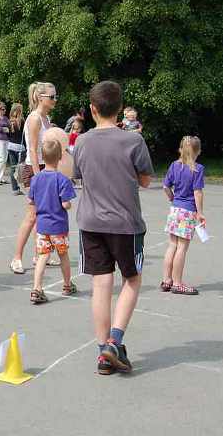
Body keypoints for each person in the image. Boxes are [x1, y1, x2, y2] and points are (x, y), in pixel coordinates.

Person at [72, 81, 153, 375]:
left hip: (91, 222)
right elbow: (146, 180)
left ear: (92, 109)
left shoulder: (82, 142)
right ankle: (114, 341)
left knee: (101, 284)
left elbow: (78, 175)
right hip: (125, 223)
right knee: (131, 279)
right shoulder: (133, 141)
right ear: (120, 108)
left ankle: (102, 352)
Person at [9, 82, 57, 275]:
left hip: (46, 168)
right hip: (34, 169)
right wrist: (39, 178)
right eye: (51, 97)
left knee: (42, 216)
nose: (55, 100)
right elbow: (32, 150)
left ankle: (39, 254)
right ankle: (16, 258)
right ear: (40, 97)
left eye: (55, 96)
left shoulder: (46, 118)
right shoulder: (35, 118)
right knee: (31, 216)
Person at [28, 140, 77, 304]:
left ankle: (36, 288)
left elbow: (31, 201)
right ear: (60, 157)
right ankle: (67, 285)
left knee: (42, 256)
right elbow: (65, 204)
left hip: (42, 226)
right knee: (63, 255)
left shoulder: (36, 179)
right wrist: (68, 204)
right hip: (58, 227)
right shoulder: (62, 180)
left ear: (42, 157)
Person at [160, 136, 205, 295]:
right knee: (182, 248)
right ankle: (177, 283)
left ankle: (167, 280)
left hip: (175, 210)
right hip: (188, 211)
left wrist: (172, 198)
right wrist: (200, 213)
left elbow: (165, 186)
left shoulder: (174, 165)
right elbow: (197, 192)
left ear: (181, 149)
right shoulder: (198, 169)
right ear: (198, 151)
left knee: (172, 245)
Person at [7, 103, 25, 196]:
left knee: (13, 168)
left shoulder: (9, 121)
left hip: (10, 146)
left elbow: (8, 135)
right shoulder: (21, 121)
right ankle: (26, 186)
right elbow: (24, 135)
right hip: (20, 147)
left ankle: (15, 189)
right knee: (23, 168)